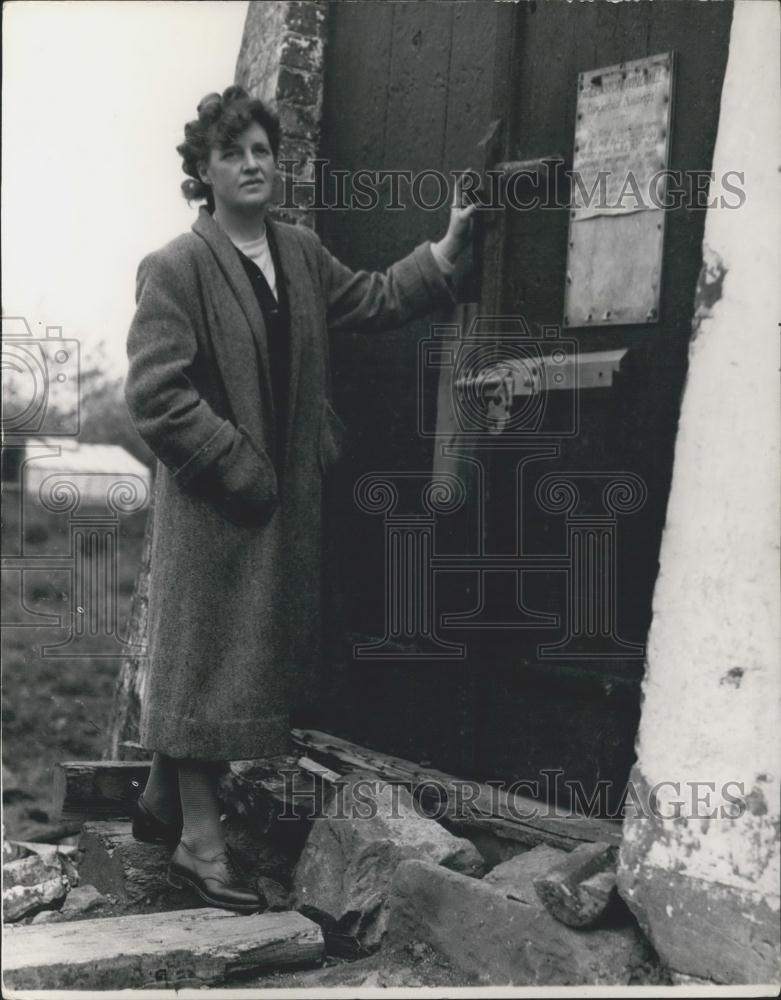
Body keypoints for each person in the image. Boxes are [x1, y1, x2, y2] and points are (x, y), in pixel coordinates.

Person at [124, 85, 475, 912]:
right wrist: (237, 465)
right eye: (233, 153)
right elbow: (155, 396)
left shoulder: (300, 253)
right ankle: (200, 846)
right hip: (214, 509)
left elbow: (376, 298)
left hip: (281, 516)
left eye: (262, 151)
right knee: (204, 669)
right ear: (203, 171)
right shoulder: (176, 267)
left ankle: (162, 801)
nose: (252, 164)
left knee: (220, 668)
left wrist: (447, 249)